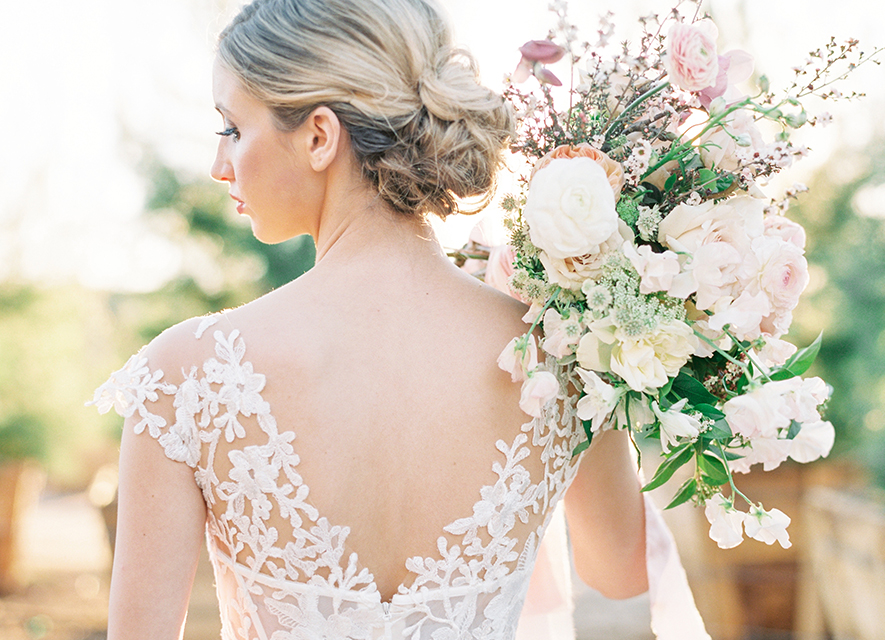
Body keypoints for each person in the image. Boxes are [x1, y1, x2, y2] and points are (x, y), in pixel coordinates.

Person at [91, 0, 650, 638]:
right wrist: (646, 320)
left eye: (232, 129)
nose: (220, 165)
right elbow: (622, 572)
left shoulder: (187, 376)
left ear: (319, 136)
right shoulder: (561, 352)